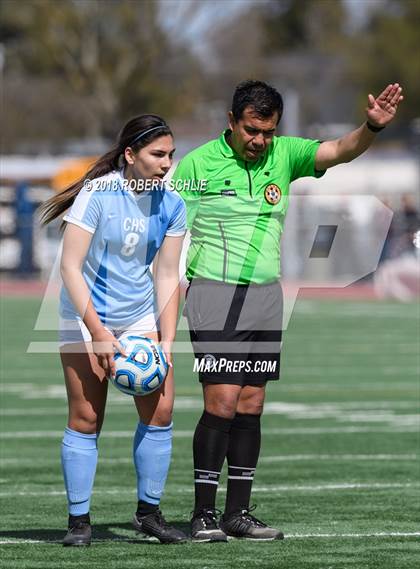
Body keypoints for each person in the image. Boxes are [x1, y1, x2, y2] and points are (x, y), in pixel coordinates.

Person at [172, 80, 403, 542]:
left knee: (252, 403)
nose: (260, 141)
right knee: (221, 402)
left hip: (265, 296)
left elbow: (338, 150)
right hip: (215, 292)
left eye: (269, 132)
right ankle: (202, 515)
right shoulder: (197, 165)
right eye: (252, 130)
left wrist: (371, 127)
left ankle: (237, 514)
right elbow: (168, 229)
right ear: (232, 121)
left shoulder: (283, 154)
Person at [39, 114, 188, 545]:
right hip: (85, 314)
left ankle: (149, 514)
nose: (166, 163)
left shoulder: (172, 203)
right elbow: (69, 267)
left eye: (171, 155)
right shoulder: (97, 194)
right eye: (157, 154)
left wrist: (167, 341)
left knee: (161, 412)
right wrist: (99, 331)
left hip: (140, 315)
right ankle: (79, 522)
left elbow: (165, 276)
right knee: (87, 417)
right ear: (130, 155)